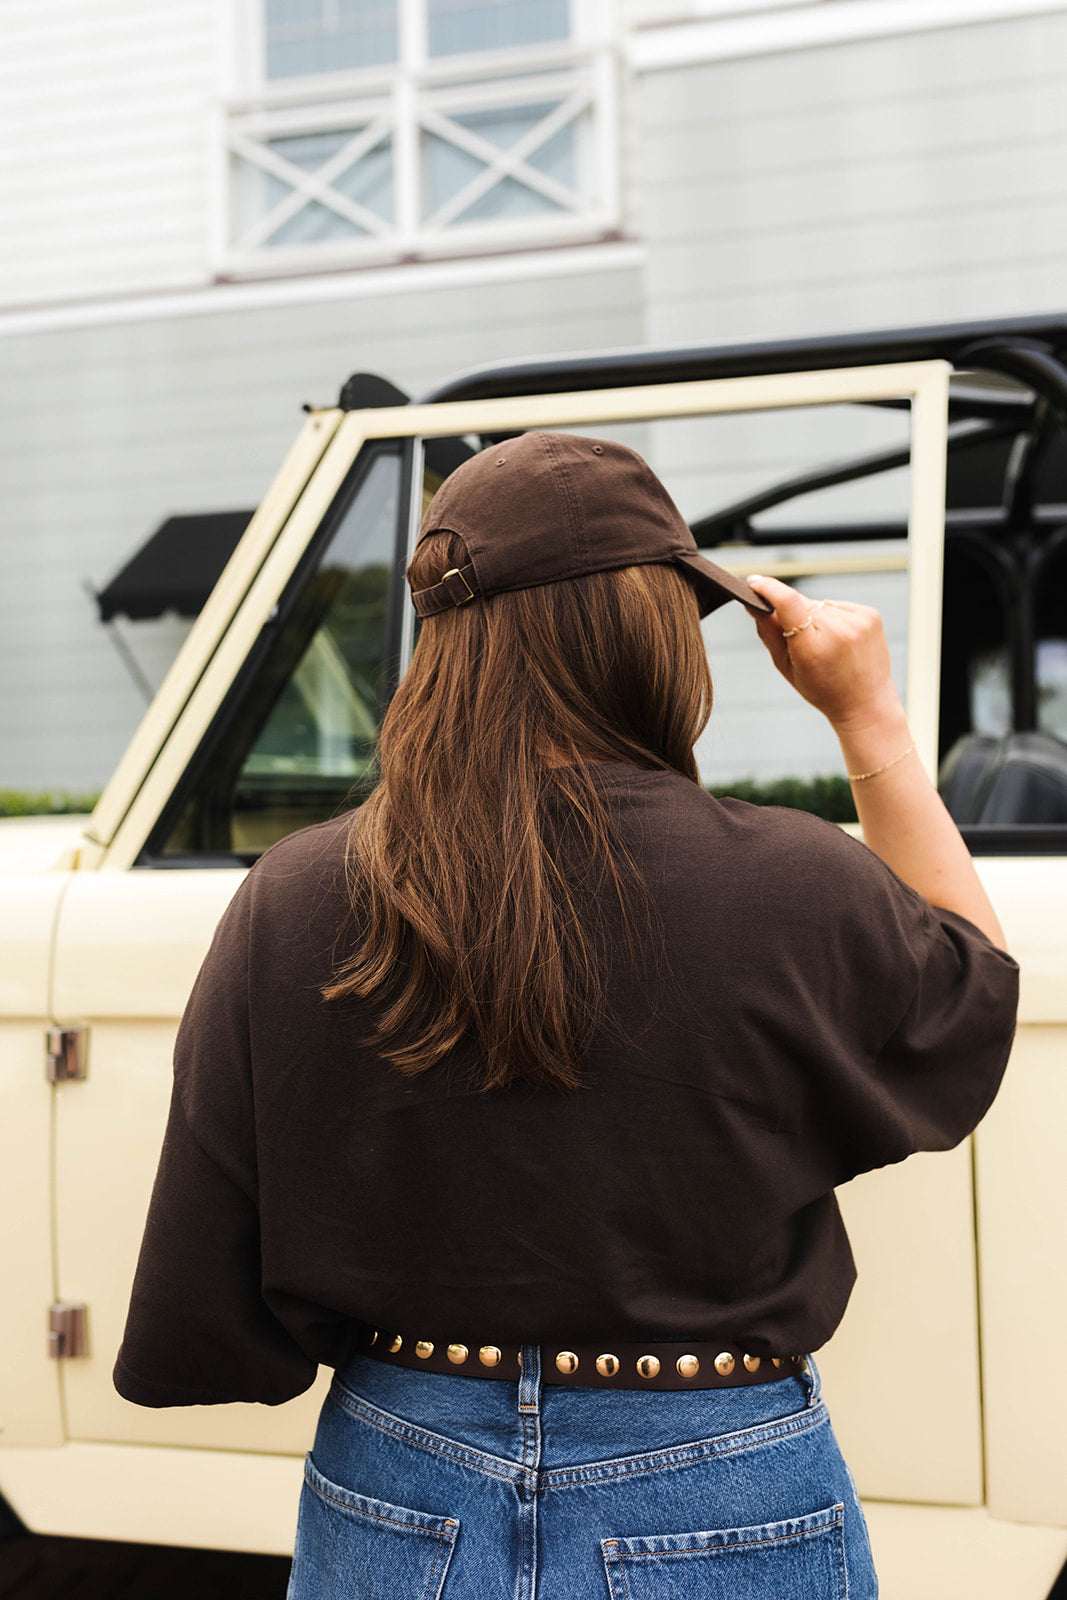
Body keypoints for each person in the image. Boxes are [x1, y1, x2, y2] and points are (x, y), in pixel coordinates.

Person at [114, 431, 1018, 1600]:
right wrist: (873, 724)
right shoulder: (790, 883)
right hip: (716, 1469)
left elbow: (214, 1225)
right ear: (646, 628)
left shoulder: (293, 893)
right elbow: (968, 1008)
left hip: (398, 1466)